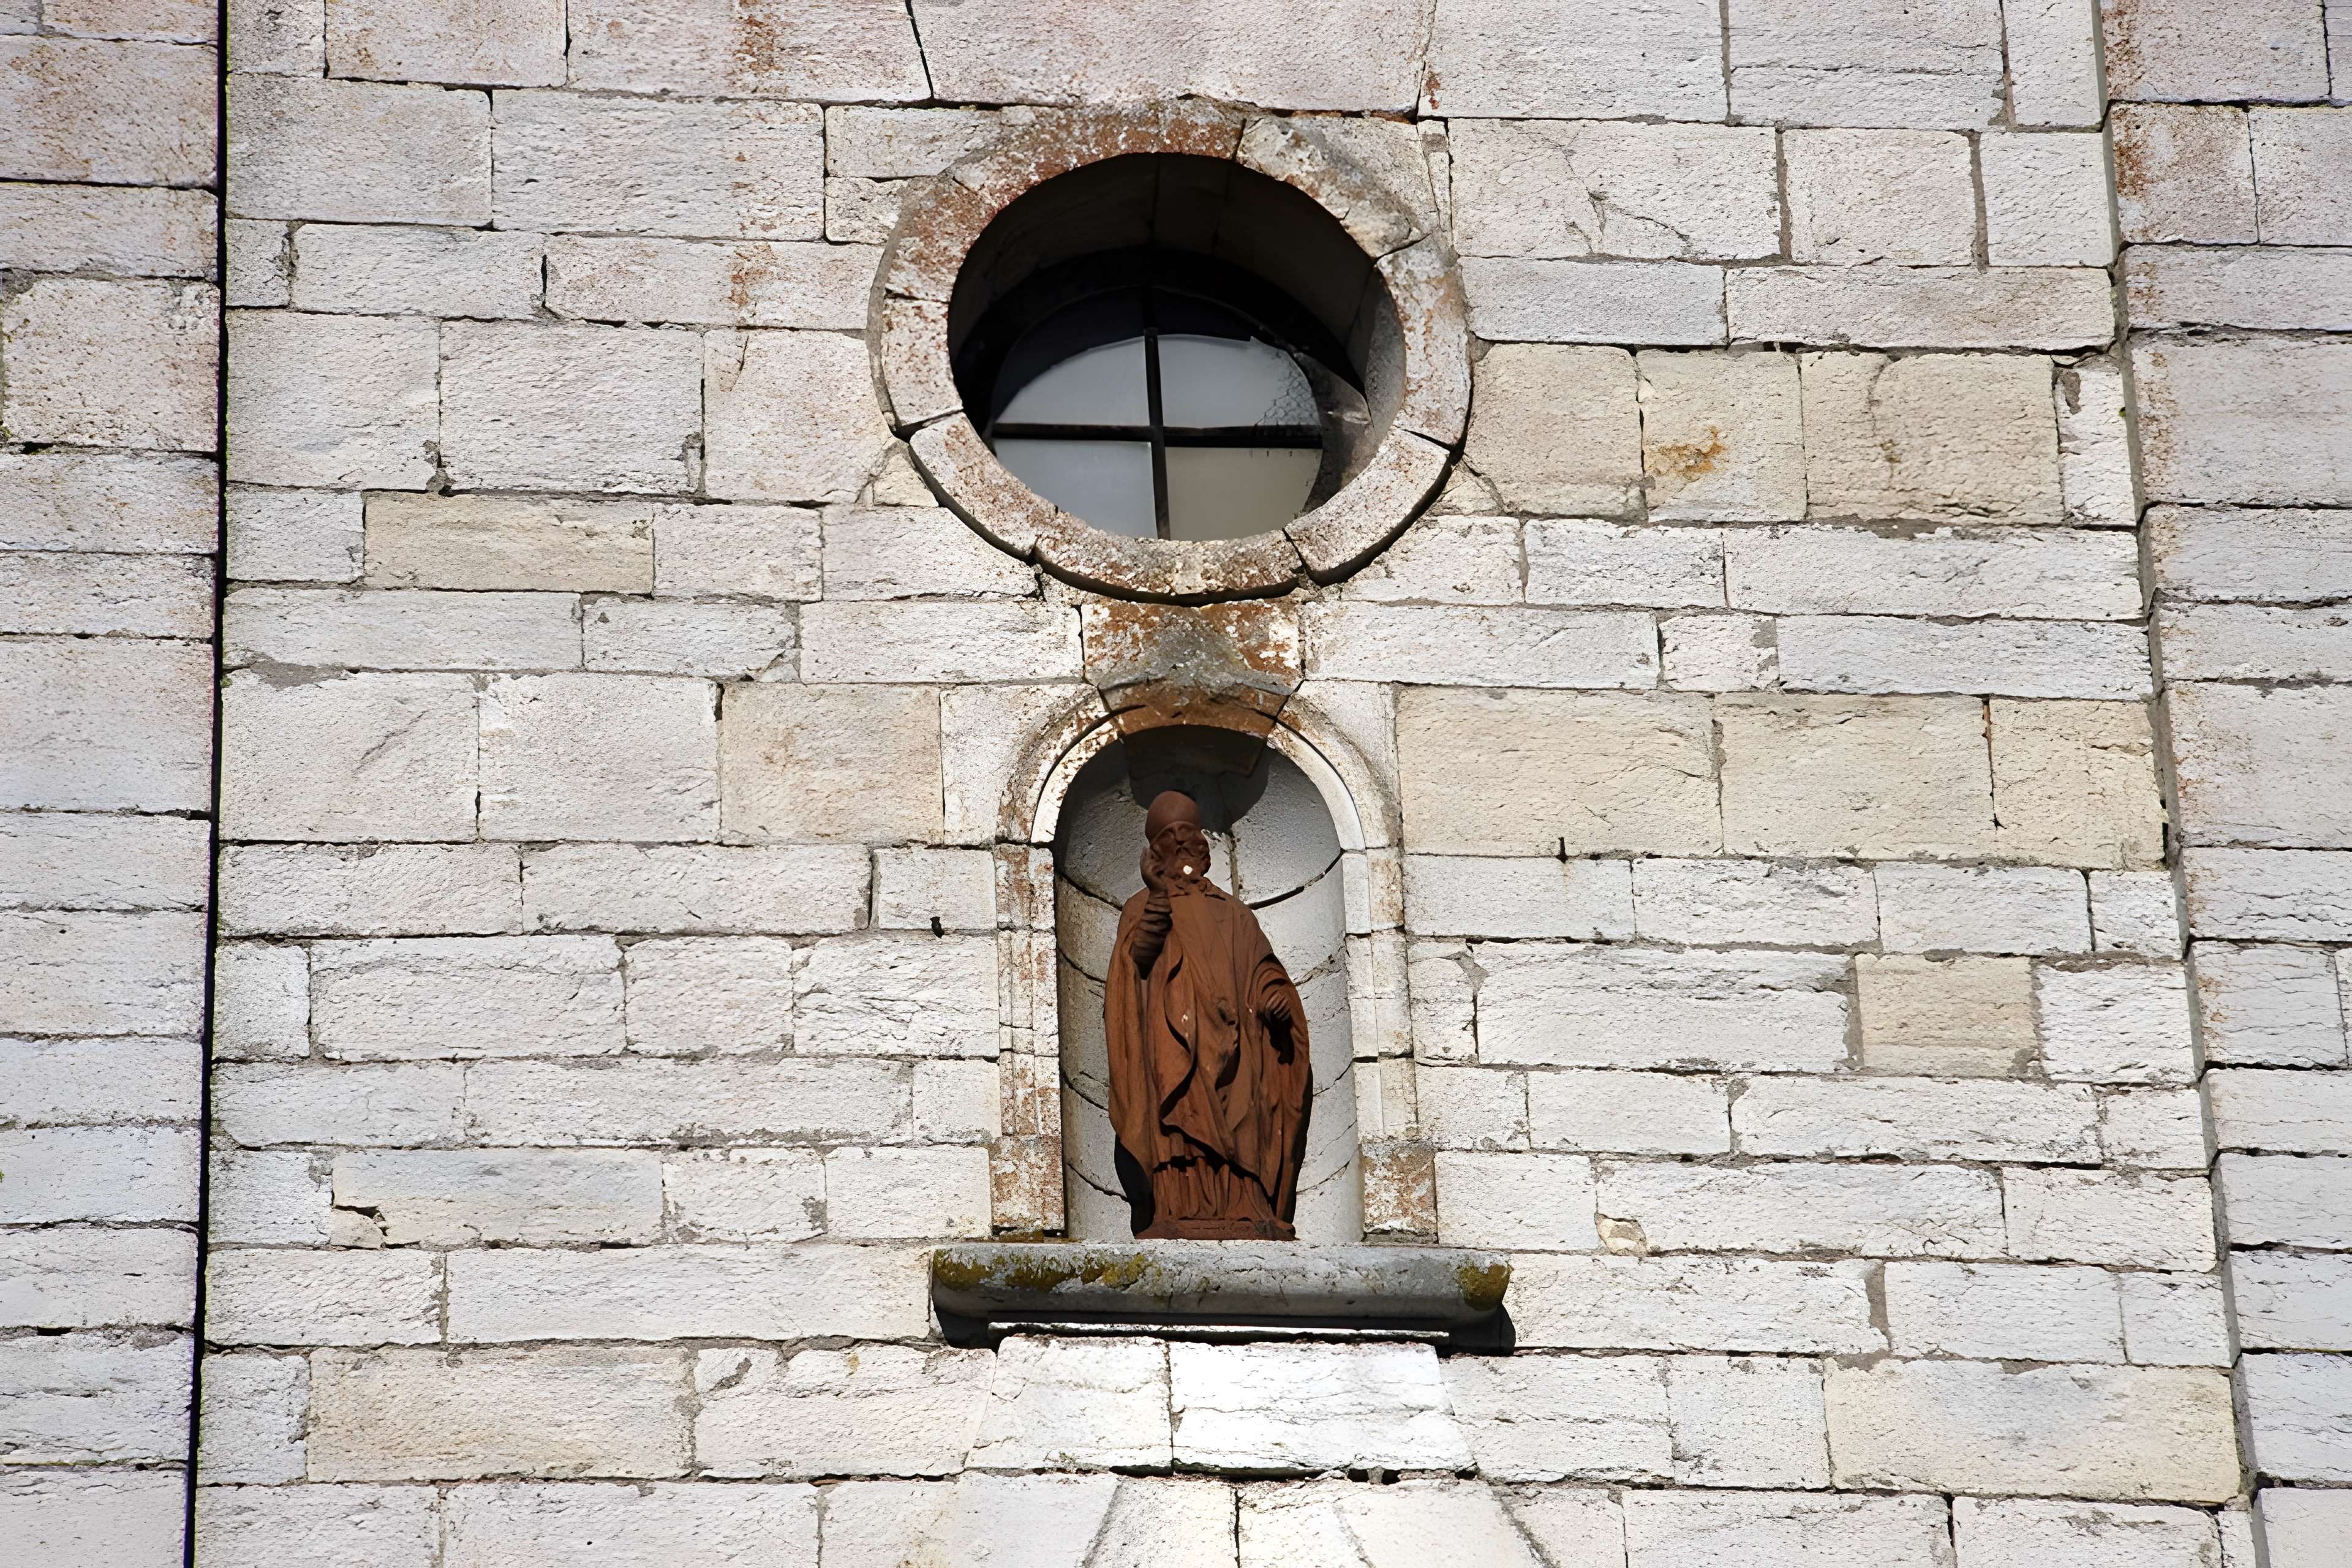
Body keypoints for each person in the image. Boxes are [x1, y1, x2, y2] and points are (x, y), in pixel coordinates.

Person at [1104, 790, 1310, 1240]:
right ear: (1155, 852)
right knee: (1179, 1119)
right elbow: (1138, 957)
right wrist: (1159, 896)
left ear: (1204, 846)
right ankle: (1179, 1206)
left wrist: (1275, 998)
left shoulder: (1233, 913)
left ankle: (1243, 1204)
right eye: (1170, 839)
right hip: (1174, 1038)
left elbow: (1262, 969)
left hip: (1239, 1040)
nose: (1183, 846)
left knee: (1241, 1115)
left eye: (1189, 836)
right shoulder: (1143, 907)